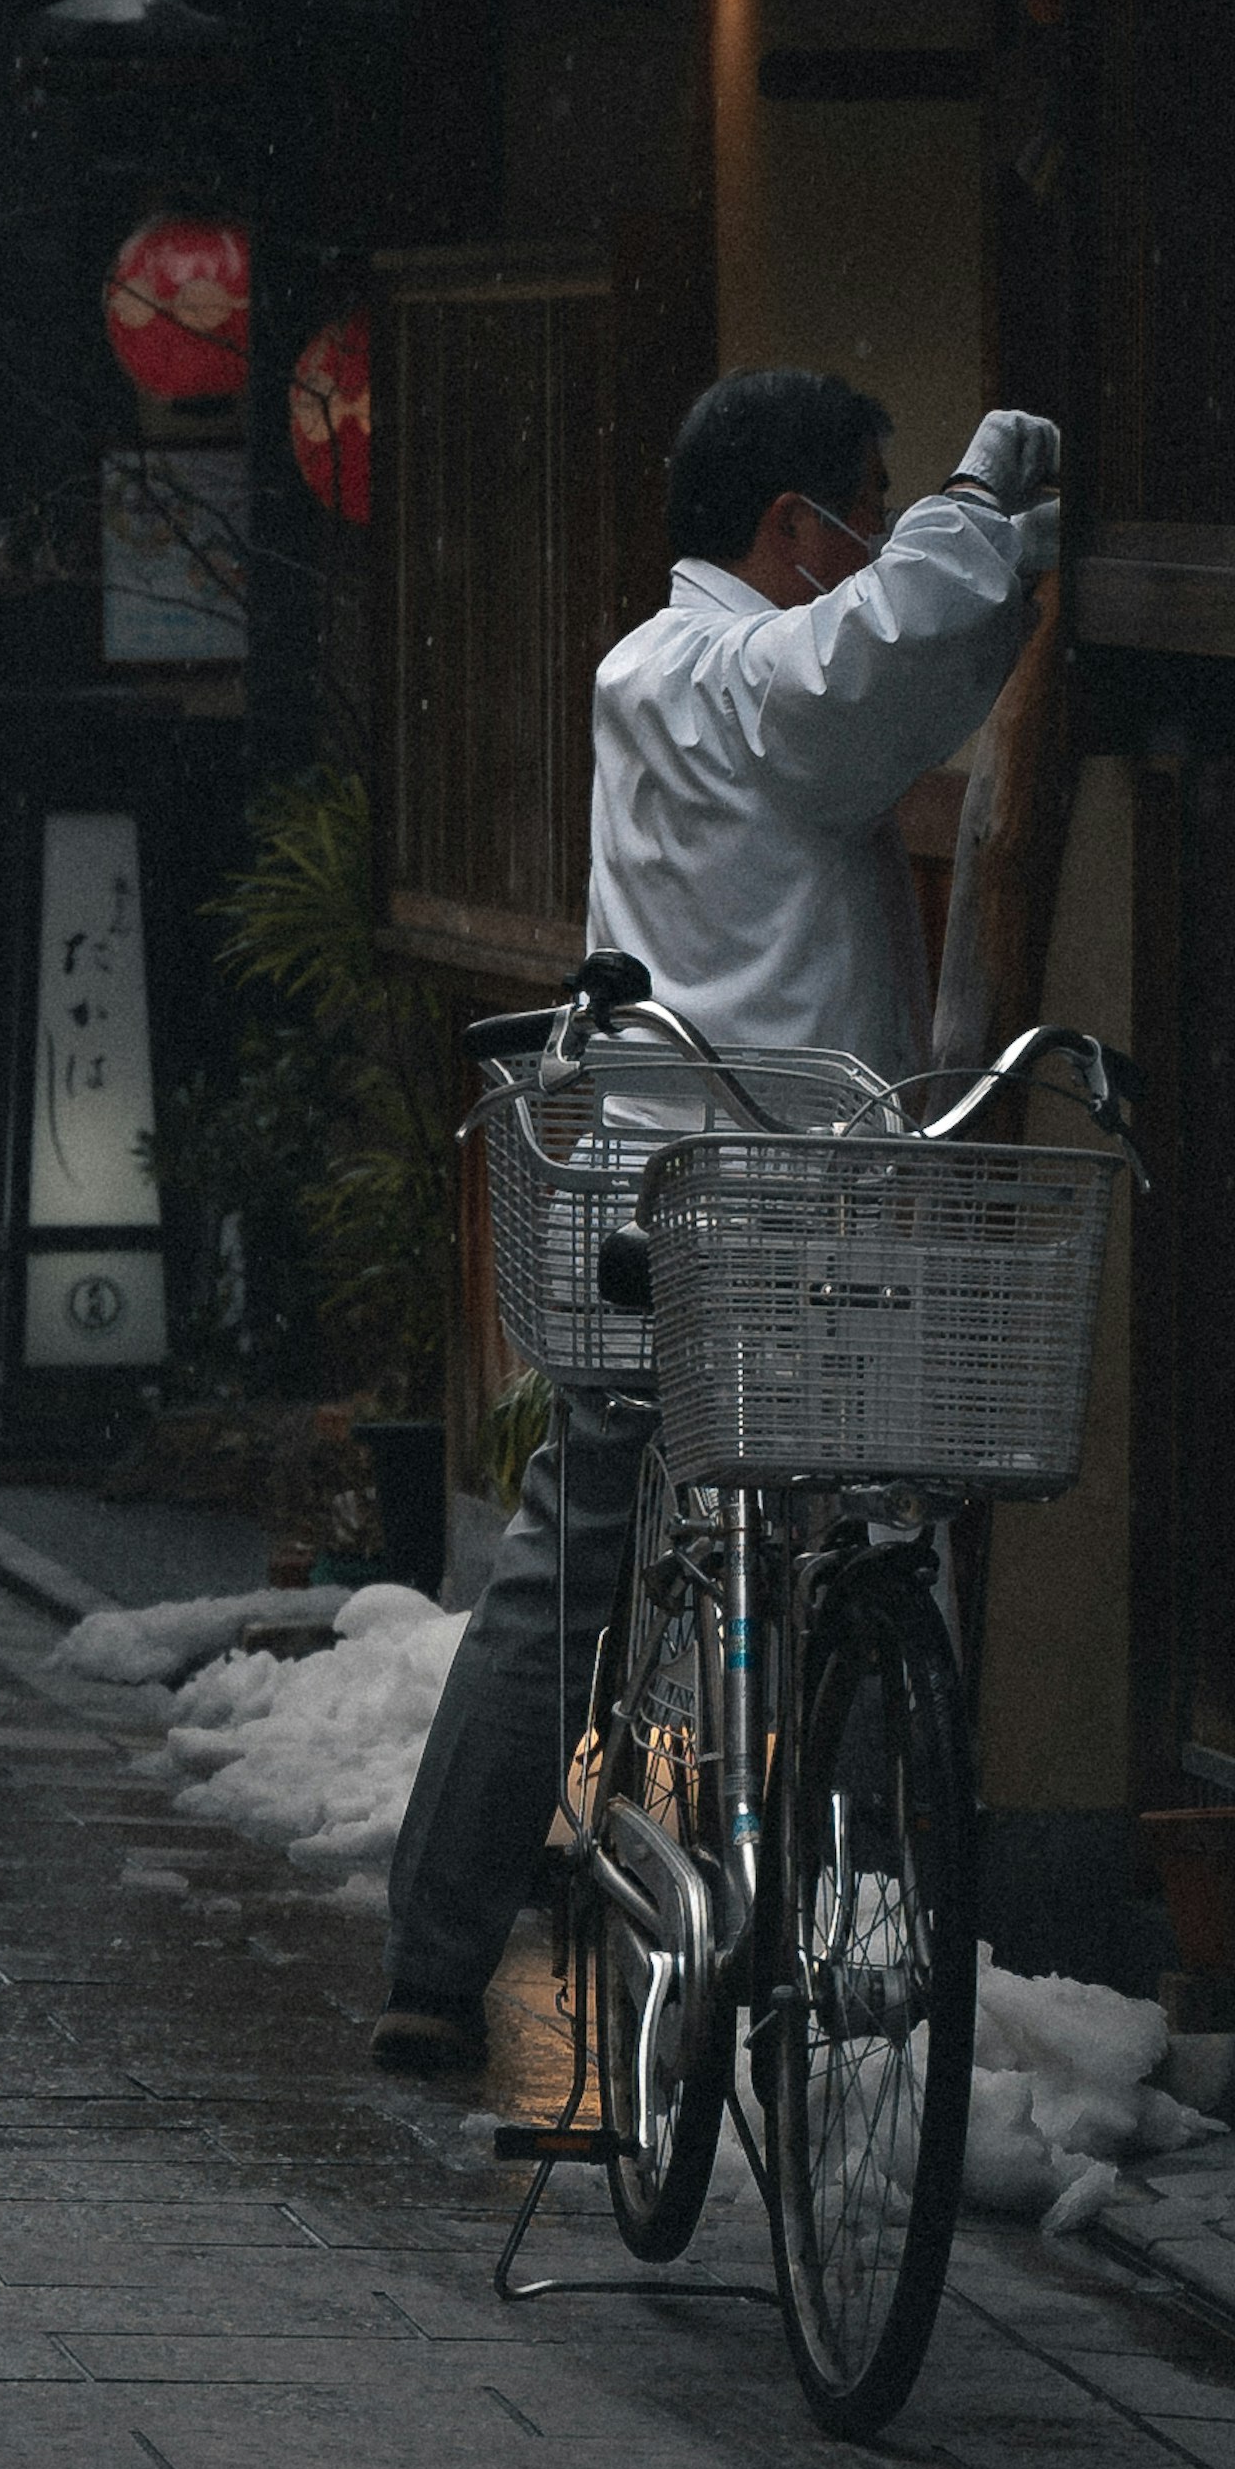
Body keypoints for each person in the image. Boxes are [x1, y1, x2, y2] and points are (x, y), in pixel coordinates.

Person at [372, 368, 1064, 2076]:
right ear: (792, 528)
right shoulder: (752, 681)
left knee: (570, 1556)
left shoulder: (643, 670)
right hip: (792, 1215)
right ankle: (843, 1939)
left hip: (645, 1204)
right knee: (858, 1540)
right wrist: (992, 501)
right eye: (869, 507)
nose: (882, 534)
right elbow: (894, 647)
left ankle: (431, 1957)